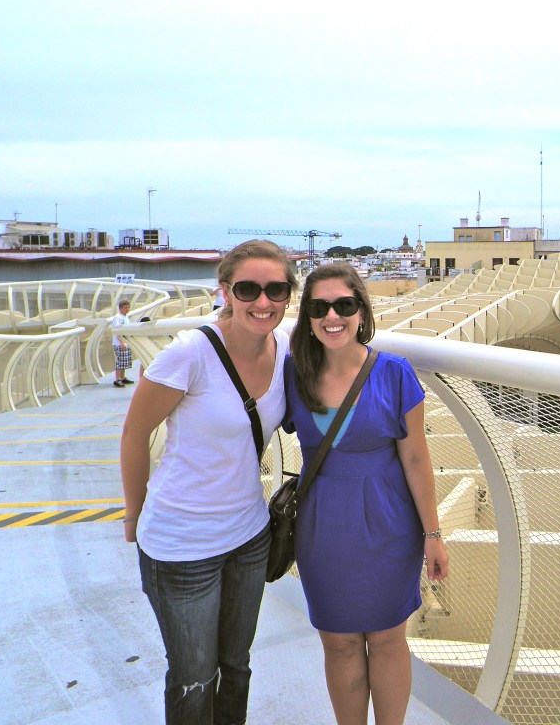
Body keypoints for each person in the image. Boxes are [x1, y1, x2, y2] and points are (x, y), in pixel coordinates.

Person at [120, 239, 297, 724]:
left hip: (249, 536)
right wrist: (133, 516)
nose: (263, 302)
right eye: (248, 289)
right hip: (182, 544)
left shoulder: (285, 348)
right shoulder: (191, 353)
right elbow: (136, 434)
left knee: (235, 668)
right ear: (225, 291)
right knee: (194, 676)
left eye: (276, 290)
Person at [283, 262, 449, 725]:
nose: (332, 315)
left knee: (386, 638)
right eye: (319, 307)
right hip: (323, 528)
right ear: (308, 317)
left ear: (361, 311)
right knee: (338, 641)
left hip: (388, 525)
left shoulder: (393, 373)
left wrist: (433, 533)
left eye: (344, 304)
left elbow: (416, 458)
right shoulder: (293, 372)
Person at [111, 299, 134, 387]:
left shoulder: (125, 317)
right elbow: (117, 331)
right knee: (120, 362)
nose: (127, 309)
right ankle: (118, 379)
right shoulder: (118, 318)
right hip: (119, 344)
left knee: (125, 361)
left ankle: (123, 377)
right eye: (125, 308)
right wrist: (121, 343)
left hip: (126, 342)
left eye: (128, 307)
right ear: (120, 308)